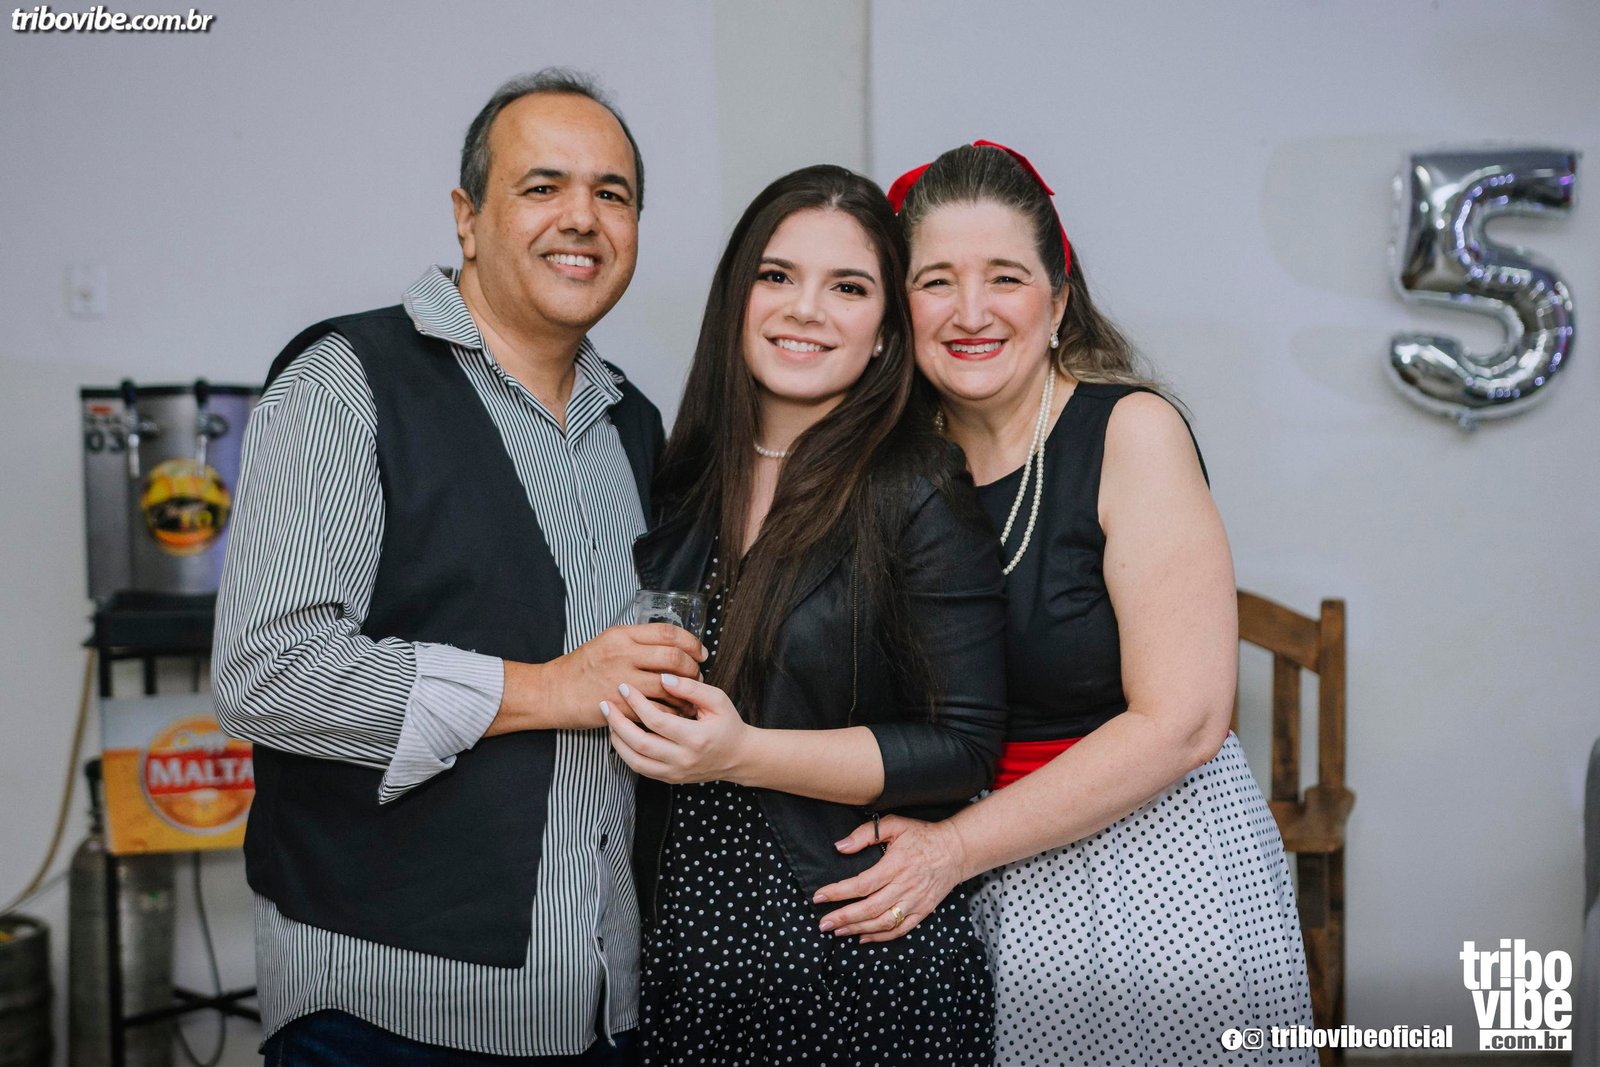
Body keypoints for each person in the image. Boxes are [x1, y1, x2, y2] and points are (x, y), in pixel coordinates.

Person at [213, 70, 704, 1065]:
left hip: (600, 1002)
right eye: (543, 186)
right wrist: (546, 687)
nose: (582, 217)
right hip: (385, 1010)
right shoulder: (345, 381)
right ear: (467, 217)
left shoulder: (636, 423)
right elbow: (265, 674)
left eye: (612, 193)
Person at [813, 142, 1319, 1066]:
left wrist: (954, 848)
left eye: (1005, 277)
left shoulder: (1132, 432)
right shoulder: (891, 466)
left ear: (1057, 301)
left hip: (1154, 873)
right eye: (936, 281)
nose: (971, 311)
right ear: (899, 308)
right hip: (967, 878)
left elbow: (1185, 721)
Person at [604, 164, 1007, 1065]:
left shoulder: (918, 486)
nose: (806, 309)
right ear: (737, 297)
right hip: (686, 955)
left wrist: (741, 751)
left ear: (886, 331)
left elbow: (963, 743)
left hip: (851, 953)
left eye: (848, 287)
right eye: (777, 275)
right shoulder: (683, 479)